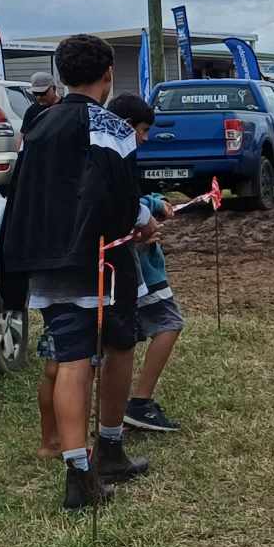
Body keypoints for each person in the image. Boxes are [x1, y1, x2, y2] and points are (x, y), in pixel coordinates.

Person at [0, 33, 153, 511]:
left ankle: (77, 472)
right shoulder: (112, 127)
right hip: (101, 256)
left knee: (71, 359)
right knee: (120, 344)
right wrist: (145, 222)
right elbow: (125, 199)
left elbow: (22, 192)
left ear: (61, 76)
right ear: (108, 76)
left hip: (45, 258)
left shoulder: (38, 127)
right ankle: (109, 448)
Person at [108, 94, 187, 434]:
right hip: (137, 264)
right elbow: (121, 200)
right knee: (169, 322)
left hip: (131, 260)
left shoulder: (111, 150)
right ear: (125, 125)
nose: (146, 137)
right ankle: (138, 403)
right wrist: (144, 223)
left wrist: (154, 203)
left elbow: (132, 197)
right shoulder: (115, 153)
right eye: (142, 129)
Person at [21, 70, 61, 140]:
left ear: (54, 88)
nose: (39, 97)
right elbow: (23, 135)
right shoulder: (31, 111)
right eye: (36, 93)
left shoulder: (66, 106)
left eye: (43, 93)